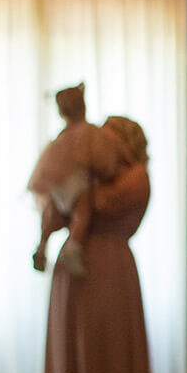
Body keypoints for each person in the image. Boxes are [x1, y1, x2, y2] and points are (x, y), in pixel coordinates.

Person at [33, 115, 156, 373]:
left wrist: (76, 188)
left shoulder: (136, 177)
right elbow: (57, 214)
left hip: (111, 270)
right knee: (71, 352)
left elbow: (100, 203)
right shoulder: (81, 176)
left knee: (109, 356)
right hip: (70, 276)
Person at [28, 82, 128, 278]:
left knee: (52, 215)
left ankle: (42, 244)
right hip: (76, 183)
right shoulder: (88, 131)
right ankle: (74, 247)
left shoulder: (62, 136)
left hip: (58, 186)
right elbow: (102, 160)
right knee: (82, 213)